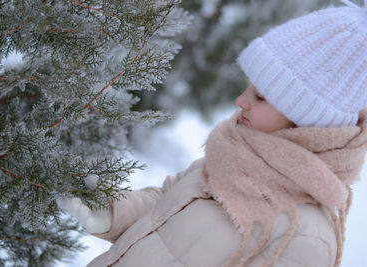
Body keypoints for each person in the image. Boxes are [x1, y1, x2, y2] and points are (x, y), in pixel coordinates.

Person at [57, 1, 367, 266]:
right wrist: (114, 212)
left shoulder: (305, 237)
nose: (240, 101)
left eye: (260, 97)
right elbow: (167, 202)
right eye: (248, 86)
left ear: (306, 121)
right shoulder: (234, 153)